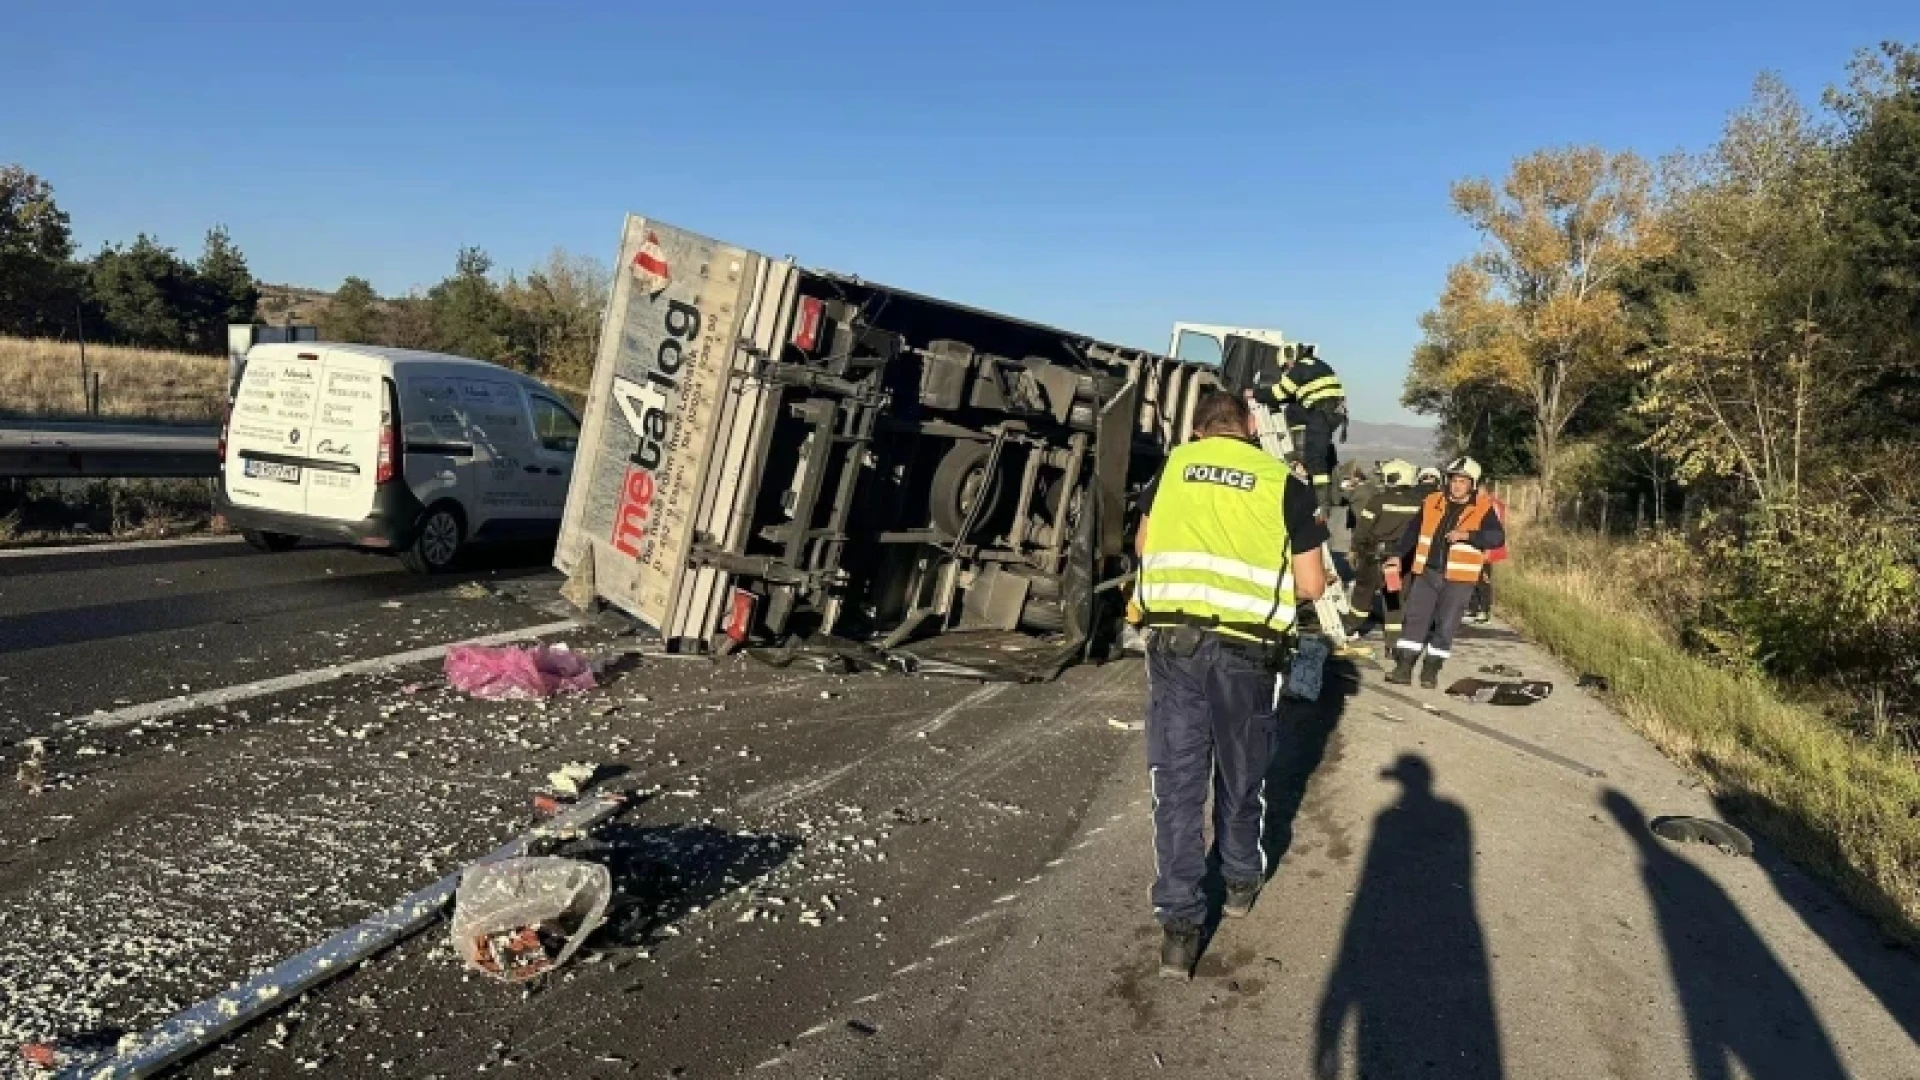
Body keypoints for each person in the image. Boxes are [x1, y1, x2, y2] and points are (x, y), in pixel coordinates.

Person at [1133, 390, 1328, 978]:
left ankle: (1179, 931)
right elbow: (1313, 584)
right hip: (1247, 657)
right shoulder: (1282, 481)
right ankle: (1239, 881)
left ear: (1197, 431)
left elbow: (1145, 546)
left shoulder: (1170, 469)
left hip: (1174, 651)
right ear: (1248, 427)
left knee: (1178, 783)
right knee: (1242, 775)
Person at [1388, 456, 1503, 688]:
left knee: (1446, 625)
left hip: (1460, 580)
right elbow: (1412, 530)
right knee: (1414, 620)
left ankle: (1430, 670)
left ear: (1472, 483)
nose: (1456, 485)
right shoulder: (1431, 500)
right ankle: (1403, 667)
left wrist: (1468, 536)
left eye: (1462, 481)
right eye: (1453, 480)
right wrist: (1397, 555)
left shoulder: (1483, 507)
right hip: (1427, 573)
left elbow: (1497, 538)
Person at [1258, 344, 1347, 510]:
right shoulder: (1317, 365)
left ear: (1290, 358)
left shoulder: (1299, 369)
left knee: (1315, 460)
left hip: (1321, 414)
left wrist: (1255, 393)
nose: (1286, 371)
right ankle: (1303, 456)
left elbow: (1278, 394)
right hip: (1328, 413)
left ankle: (1321, 505)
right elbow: (1294, 396)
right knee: (1294, 410)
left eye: (1285, 366)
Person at [1345, 459, 1423, 642]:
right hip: (1401, 558)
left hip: (1374, 556)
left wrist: (1354, 550)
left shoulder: (1378, 500)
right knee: (1394, 598)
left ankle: (1350, 627)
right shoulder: (1419, 503)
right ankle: (1393, 641)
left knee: (1363, 593)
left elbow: (1362, 529)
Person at [1466, 488, 1509, 624]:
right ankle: (1473, 608)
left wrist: (1488, 551)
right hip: (1479, 545)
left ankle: (1484, 611)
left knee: (1483, 579)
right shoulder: (1481, 503)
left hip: (1487, 547)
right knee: (1474, 577)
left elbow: (1493, 530)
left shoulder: (1491, 505)